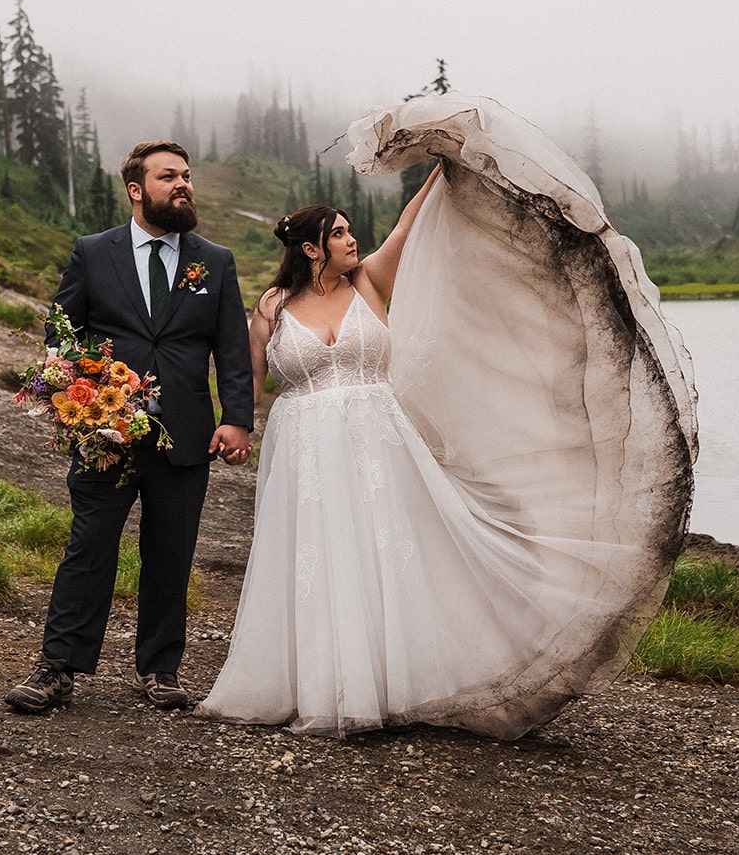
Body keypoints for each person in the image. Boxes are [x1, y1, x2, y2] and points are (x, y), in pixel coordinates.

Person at [196, 94, 697, 739]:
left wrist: (450, 158)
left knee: (387, 551)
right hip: (303, 448)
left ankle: (393, 680)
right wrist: (233, 426)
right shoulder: (271, 306)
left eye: (352, 230)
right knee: (318, 554)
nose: (354, 239)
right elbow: (248, 379)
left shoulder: (369, 284)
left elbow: (406, 227)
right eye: (341, 232)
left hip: (377, 442)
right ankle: (312, 684)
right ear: (313, 249)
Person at [5, 140, 254, 715]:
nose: (183, 184)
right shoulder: (94, 253)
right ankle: (57, 668)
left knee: (171, 552)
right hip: (106, 434)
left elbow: (232, 349)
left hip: (185, 435)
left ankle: (160, 669)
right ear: (137, 189)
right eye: (169, 177)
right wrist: (76, 399)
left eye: (187, 176)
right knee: (89, 547)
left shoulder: (214, 261)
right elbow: (60, 337)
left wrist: (238, 418)